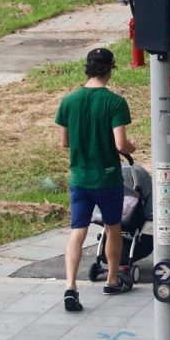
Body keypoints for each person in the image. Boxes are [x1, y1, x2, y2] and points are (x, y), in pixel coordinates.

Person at [55, 48, 136, 312]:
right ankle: (112, 280)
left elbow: (64, 142)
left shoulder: (68, 101)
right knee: (113, 227)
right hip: (108, 178)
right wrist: (131, 147)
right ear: (110, 69)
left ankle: (70, 286)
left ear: (87, 69)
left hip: (80, 177)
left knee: (77, 231)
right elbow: (120, 143)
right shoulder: (115, 103)